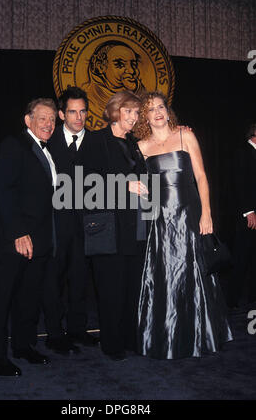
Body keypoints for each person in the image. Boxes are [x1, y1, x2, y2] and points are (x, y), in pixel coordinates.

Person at [134, 91, 233, 359]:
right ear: (144, 116)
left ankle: (201, 335)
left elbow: (201, 176)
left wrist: (207, 213)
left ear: (168, 110)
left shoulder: (185, 135)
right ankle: (166, 336)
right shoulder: (141, 147)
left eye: (161, 107)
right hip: (160, 219)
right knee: (164, 275)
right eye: (151, 109)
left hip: (189, 215)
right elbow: (139, 186)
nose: (157, 112)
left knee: (194, 273)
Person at [0, 98, 57, 376]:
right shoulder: (14, 145)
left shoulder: (47, 151)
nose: (49, 124)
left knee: (29, 297)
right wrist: (18, 232)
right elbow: (3, 189)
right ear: (28, 120)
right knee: (3, 297)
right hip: (15, 238)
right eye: (42, 118)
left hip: (40, 240)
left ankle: (24, 347)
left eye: (52, 119)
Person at [83, 90, 148, 361]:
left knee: (133, 286)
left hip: (135, 226)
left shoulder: (134, 143)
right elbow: (85, 183)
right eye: (128, 111)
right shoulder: (97, 140)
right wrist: (125, 185)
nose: (133, 117)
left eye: (136, 112)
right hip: (108, 227)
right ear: (115, 111)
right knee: (110, 287)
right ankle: (112, 343)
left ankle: (130, 338)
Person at [43, 86, 99, 355]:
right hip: (55, 224)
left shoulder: (97, 142)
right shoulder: (48, 141)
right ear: (62, 114)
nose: (79, 117)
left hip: (86, 225)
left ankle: (78, 329)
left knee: (80, 278)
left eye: (83, 111)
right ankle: (54, 333)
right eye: (73, 112)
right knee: (53, 280)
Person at [227, 123, 256, 308]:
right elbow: (240, 184)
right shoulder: (243, 152)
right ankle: (232, 299)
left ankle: (253, 297)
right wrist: (249, 211)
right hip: (247, 215)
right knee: (242, 256)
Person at [82, 40, 146, 117]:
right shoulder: (88, 99)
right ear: (100, 66)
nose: (131, 71)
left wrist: (137, 90)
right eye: (120, 64)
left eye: (133, 64)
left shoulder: (141, 93)